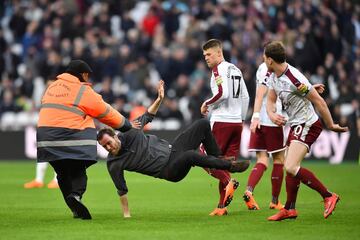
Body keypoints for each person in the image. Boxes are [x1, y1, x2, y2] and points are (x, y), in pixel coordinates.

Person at [97, 80, 250, 218]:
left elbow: (148, 115)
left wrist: (159, 99)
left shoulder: (130, 130)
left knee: (202, 124)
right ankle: (230, 166)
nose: (108, 148)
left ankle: (220, 159)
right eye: (105, 147)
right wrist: (126, 215)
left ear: (116, 136)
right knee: (191, 155)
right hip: (168, 170)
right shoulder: (113, 164)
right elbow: (121, 190)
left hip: (173, 150)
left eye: (109, 143)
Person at [37, 59, 135, 220]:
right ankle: (76, 196)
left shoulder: (51, 87)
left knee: (61, 172)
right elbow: (105, 112)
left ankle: (74, 207)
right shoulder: (82, 90)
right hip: (70, 135)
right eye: (87, 76)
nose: (88, 79)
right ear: (82, 74)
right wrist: (126, 125)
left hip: (45, 138)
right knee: (77, 168)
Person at [263, 41, 348, 221]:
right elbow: (270, 99)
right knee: (291, 168)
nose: (263, 61)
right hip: (296, 124)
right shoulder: (273, 75)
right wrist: (271, 114)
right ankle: (289, 209)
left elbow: (319, 102)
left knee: (291, 166)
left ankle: (328, 196)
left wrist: (331, 125)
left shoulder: (295, 79)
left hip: (308, 124)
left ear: (270, 60)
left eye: (264, 58)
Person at [245, 63, 326, 211]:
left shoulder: (260, 69)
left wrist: (255, 116)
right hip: (273, 119)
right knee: (279, 160)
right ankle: (275, 201)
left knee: (262, 159)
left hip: (258, 120)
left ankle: (249, 190)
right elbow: (266, 93)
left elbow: (284, 89)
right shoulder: (273, 70)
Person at [200, 39, 250, 216]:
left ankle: (229, 181)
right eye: (204, 55)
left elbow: (223, 93)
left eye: (209, 54)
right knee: (225, 163)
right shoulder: (235, 69)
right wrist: (241, 120)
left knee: (202, 156)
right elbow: (246, 97)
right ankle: (222, 207)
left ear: (219, 53)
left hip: (221, 122)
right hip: (236, 123)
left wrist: (206, 103)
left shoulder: (218, 69)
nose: (206, 58)